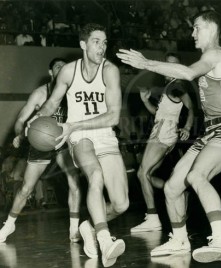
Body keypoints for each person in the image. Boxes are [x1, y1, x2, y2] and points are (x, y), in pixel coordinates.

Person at [117, 10, 221, 263]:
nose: (192, 33)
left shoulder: (214, 54)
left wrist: (146, 64)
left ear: (211, 28)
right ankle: (179, 240)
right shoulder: (220, 57)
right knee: (174, 186)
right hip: (211, 131)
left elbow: (187, 73)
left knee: (197, 176)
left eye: (196, 27)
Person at [33, 23, 129, 267]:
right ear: (84, 45)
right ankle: (105, 240)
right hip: (79, 137)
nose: (102, 47)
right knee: (94, 176)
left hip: (104, 133)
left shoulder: (110, 71)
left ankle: (89, 226)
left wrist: (74, 125)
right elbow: (53, 102)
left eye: (105, 42)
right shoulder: (67, 71)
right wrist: (37, 118)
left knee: (121, 203)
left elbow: (114, 116)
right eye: (97, 41)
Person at [0, 58, 82, 243]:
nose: (62, 70)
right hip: (41, 143)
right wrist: (19, 135)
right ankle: (8, 225)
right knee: (27, 188)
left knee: (74, 183)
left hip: (64, 141)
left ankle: (74, 229)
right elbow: (21, 119)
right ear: (51, 72)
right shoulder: (40, 93)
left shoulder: (72, 93)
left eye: (65, 67)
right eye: (58, 67)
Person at [131, 52, 194, 233]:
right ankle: (178, 191)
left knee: (142, 174)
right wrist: (145, 101)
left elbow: (191, 107)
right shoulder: (169, 87)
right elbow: (157, 114)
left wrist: (188, 127)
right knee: (147, 175)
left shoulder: (177, 86)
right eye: (167, 64)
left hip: (163, 133)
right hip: (162, 131)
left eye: (173, 64)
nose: (168, 67)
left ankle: (152, 217)